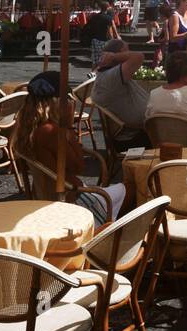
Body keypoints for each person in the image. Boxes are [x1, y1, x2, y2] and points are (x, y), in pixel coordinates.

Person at [16, 71, 126, 224]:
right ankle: (108, 234)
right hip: (72, 198)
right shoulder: (52, 131)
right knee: (131, 188)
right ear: (57, 102)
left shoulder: (27, 128)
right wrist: (68, 127)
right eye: (68, 99)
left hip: (47, 195)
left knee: (124, 189)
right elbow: (79, 166)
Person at [91, 40, 150, 146]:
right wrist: (114, 57)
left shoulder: (110, 75)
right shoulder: (112, 77)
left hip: (136, 131)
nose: (128, 54)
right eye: (127, 52)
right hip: (133, 137)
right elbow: (138, 57)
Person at [87, 0, 119, 68]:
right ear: (107, 8)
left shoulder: (94, 17)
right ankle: (100, 74)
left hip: (94, 40)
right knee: (104, 59)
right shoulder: (108, 18)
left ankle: (93, 73)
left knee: (95, 60)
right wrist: (113, 39)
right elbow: (109, 31)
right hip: (103, 40)